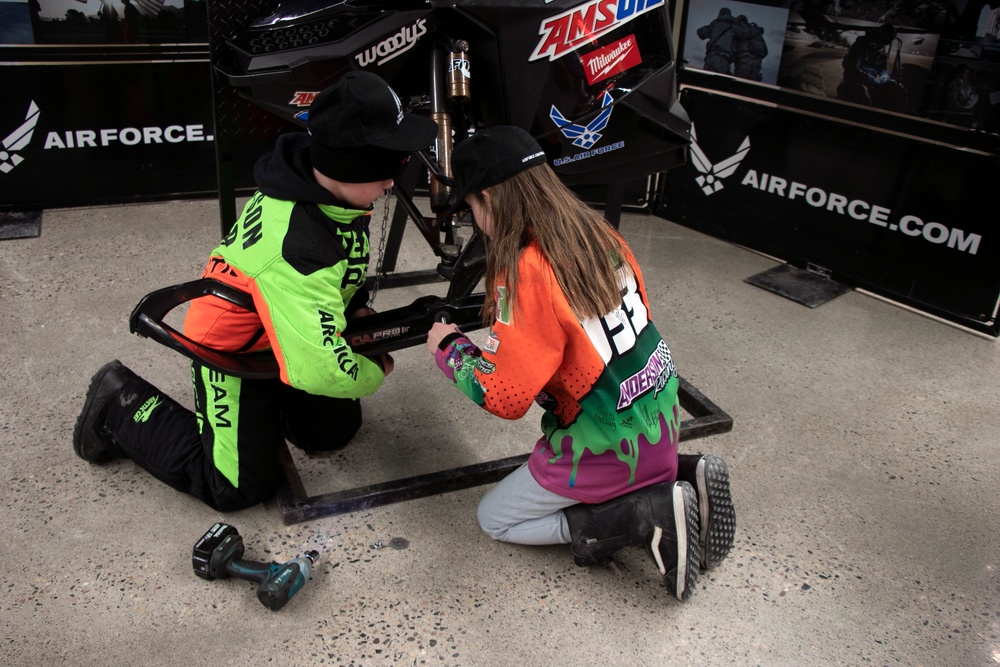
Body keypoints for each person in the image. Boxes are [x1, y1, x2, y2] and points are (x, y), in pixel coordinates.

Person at [74, 72, 438, 511]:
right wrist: (376, 366)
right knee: (237, 489)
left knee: (333, 432)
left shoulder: (327, 185)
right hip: (233, 351)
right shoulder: (302, 247)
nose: (393, 183)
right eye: (389, 167)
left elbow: (344, 269)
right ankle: (118, 406)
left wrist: (356, 306)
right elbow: (323, 373)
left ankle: (270, 405)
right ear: (352, 163)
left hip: (285, 326)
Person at [425, 126, 736, 602]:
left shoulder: (527, 267)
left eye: (471, 206)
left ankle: (643, 516)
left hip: (604, 448)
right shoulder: (598, 232)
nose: (473, 216)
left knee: (495, 519)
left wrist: (452, 351)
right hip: (659, 424)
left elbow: (505, 397)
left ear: (487, 196)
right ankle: (683, 474)